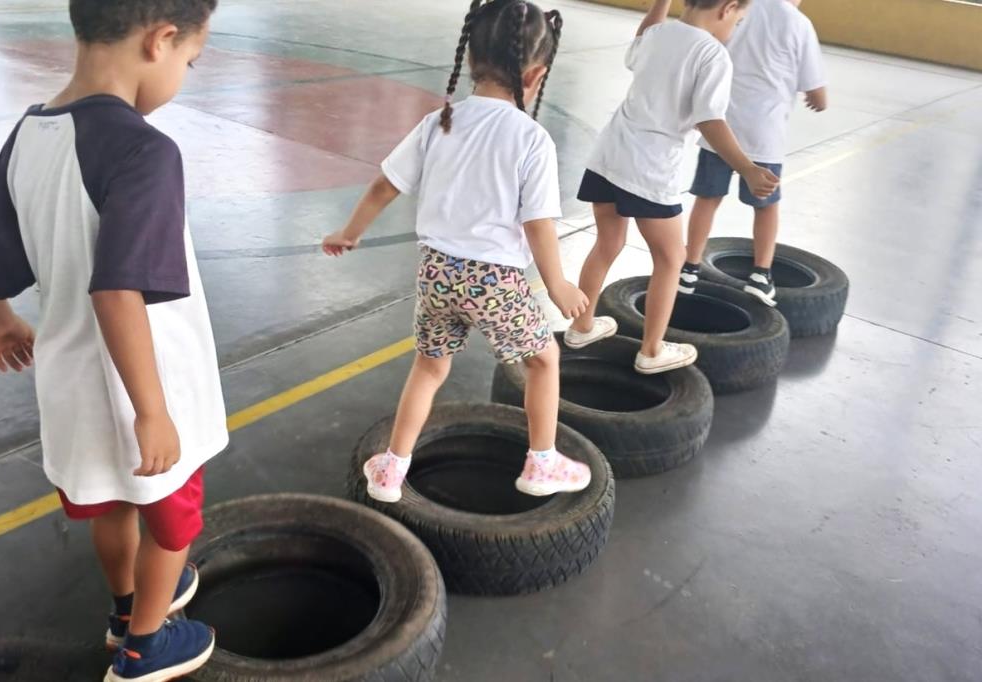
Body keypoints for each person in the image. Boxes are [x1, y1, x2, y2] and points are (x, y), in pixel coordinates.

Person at [0, 1, 227, 680]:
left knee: (111, 503)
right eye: (191, 61)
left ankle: (125, 608)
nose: (185, 73)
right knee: (173, 523)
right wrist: (152, 410)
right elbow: (118, 291)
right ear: (161, 40)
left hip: (74, 385)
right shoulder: (145, 150)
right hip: (149, 384)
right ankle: (145, 648)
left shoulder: (30, 132)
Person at [323, 0, 592, 504]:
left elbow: (385, 185)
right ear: (535, 75)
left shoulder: (439, 122)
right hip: (494, 281)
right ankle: (542, 462)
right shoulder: (531, 138)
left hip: (436, 272)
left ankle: (391, 470)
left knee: (429, 367)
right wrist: (556, 282)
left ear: (470, 60)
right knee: (543, 360)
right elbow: (537, 222)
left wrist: (350, 231)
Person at [564, 0, 779, 372]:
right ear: (727, 8)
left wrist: (660, 4)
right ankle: (651, 351)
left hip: (609, 156)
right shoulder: (712, 53)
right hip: (650, 170)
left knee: (608, 242)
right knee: (671, 258)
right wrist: (746, 167)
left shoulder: (659, 33)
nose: (736, 27)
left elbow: (640, 40)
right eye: (739, 20)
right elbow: (710, 120)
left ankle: (581, 327)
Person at [683, 0, 827, 306]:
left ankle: (690, 267)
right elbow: (817, 91)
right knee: (765, 206)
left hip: (719, 126)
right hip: (765, 134)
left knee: (707, 199)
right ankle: (761, 275)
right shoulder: (798, 23)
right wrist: (818, 99)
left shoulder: (739, 7)